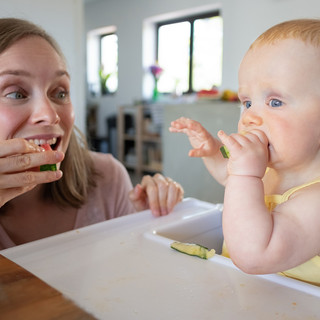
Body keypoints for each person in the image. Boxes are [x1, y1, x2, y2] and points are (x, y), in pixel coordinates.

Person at [0, 18, 184, 250]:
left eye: (59, 93)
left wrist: (145, 223)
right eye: (16, 94)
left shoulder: (108, 178)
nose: (50, 115)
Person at [170, 19, 320, 286]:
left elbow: (254, 255)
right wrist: (214, 153)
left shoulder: (316, 201)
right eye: (247, 102)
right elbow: (230, 179)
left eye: (275, 102)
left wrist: (245, 174)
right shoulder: (266, 171)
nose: (250, 116)